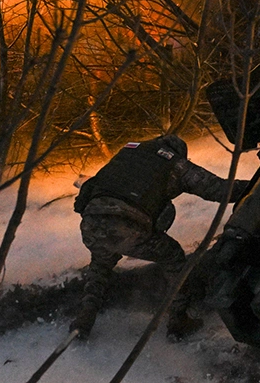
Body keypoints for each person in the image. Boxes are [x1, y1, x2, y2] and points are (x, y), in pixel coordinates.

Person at [70, 134, 249, 341]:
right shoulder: (173, 163)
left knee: (100, 267)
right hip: (127, 223)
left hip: (91, 223)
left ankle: (83, 321)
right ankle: (178, 320)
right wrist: (258, 185)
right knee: (173, 256)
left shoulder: (128, 153)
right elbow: (220, 190)